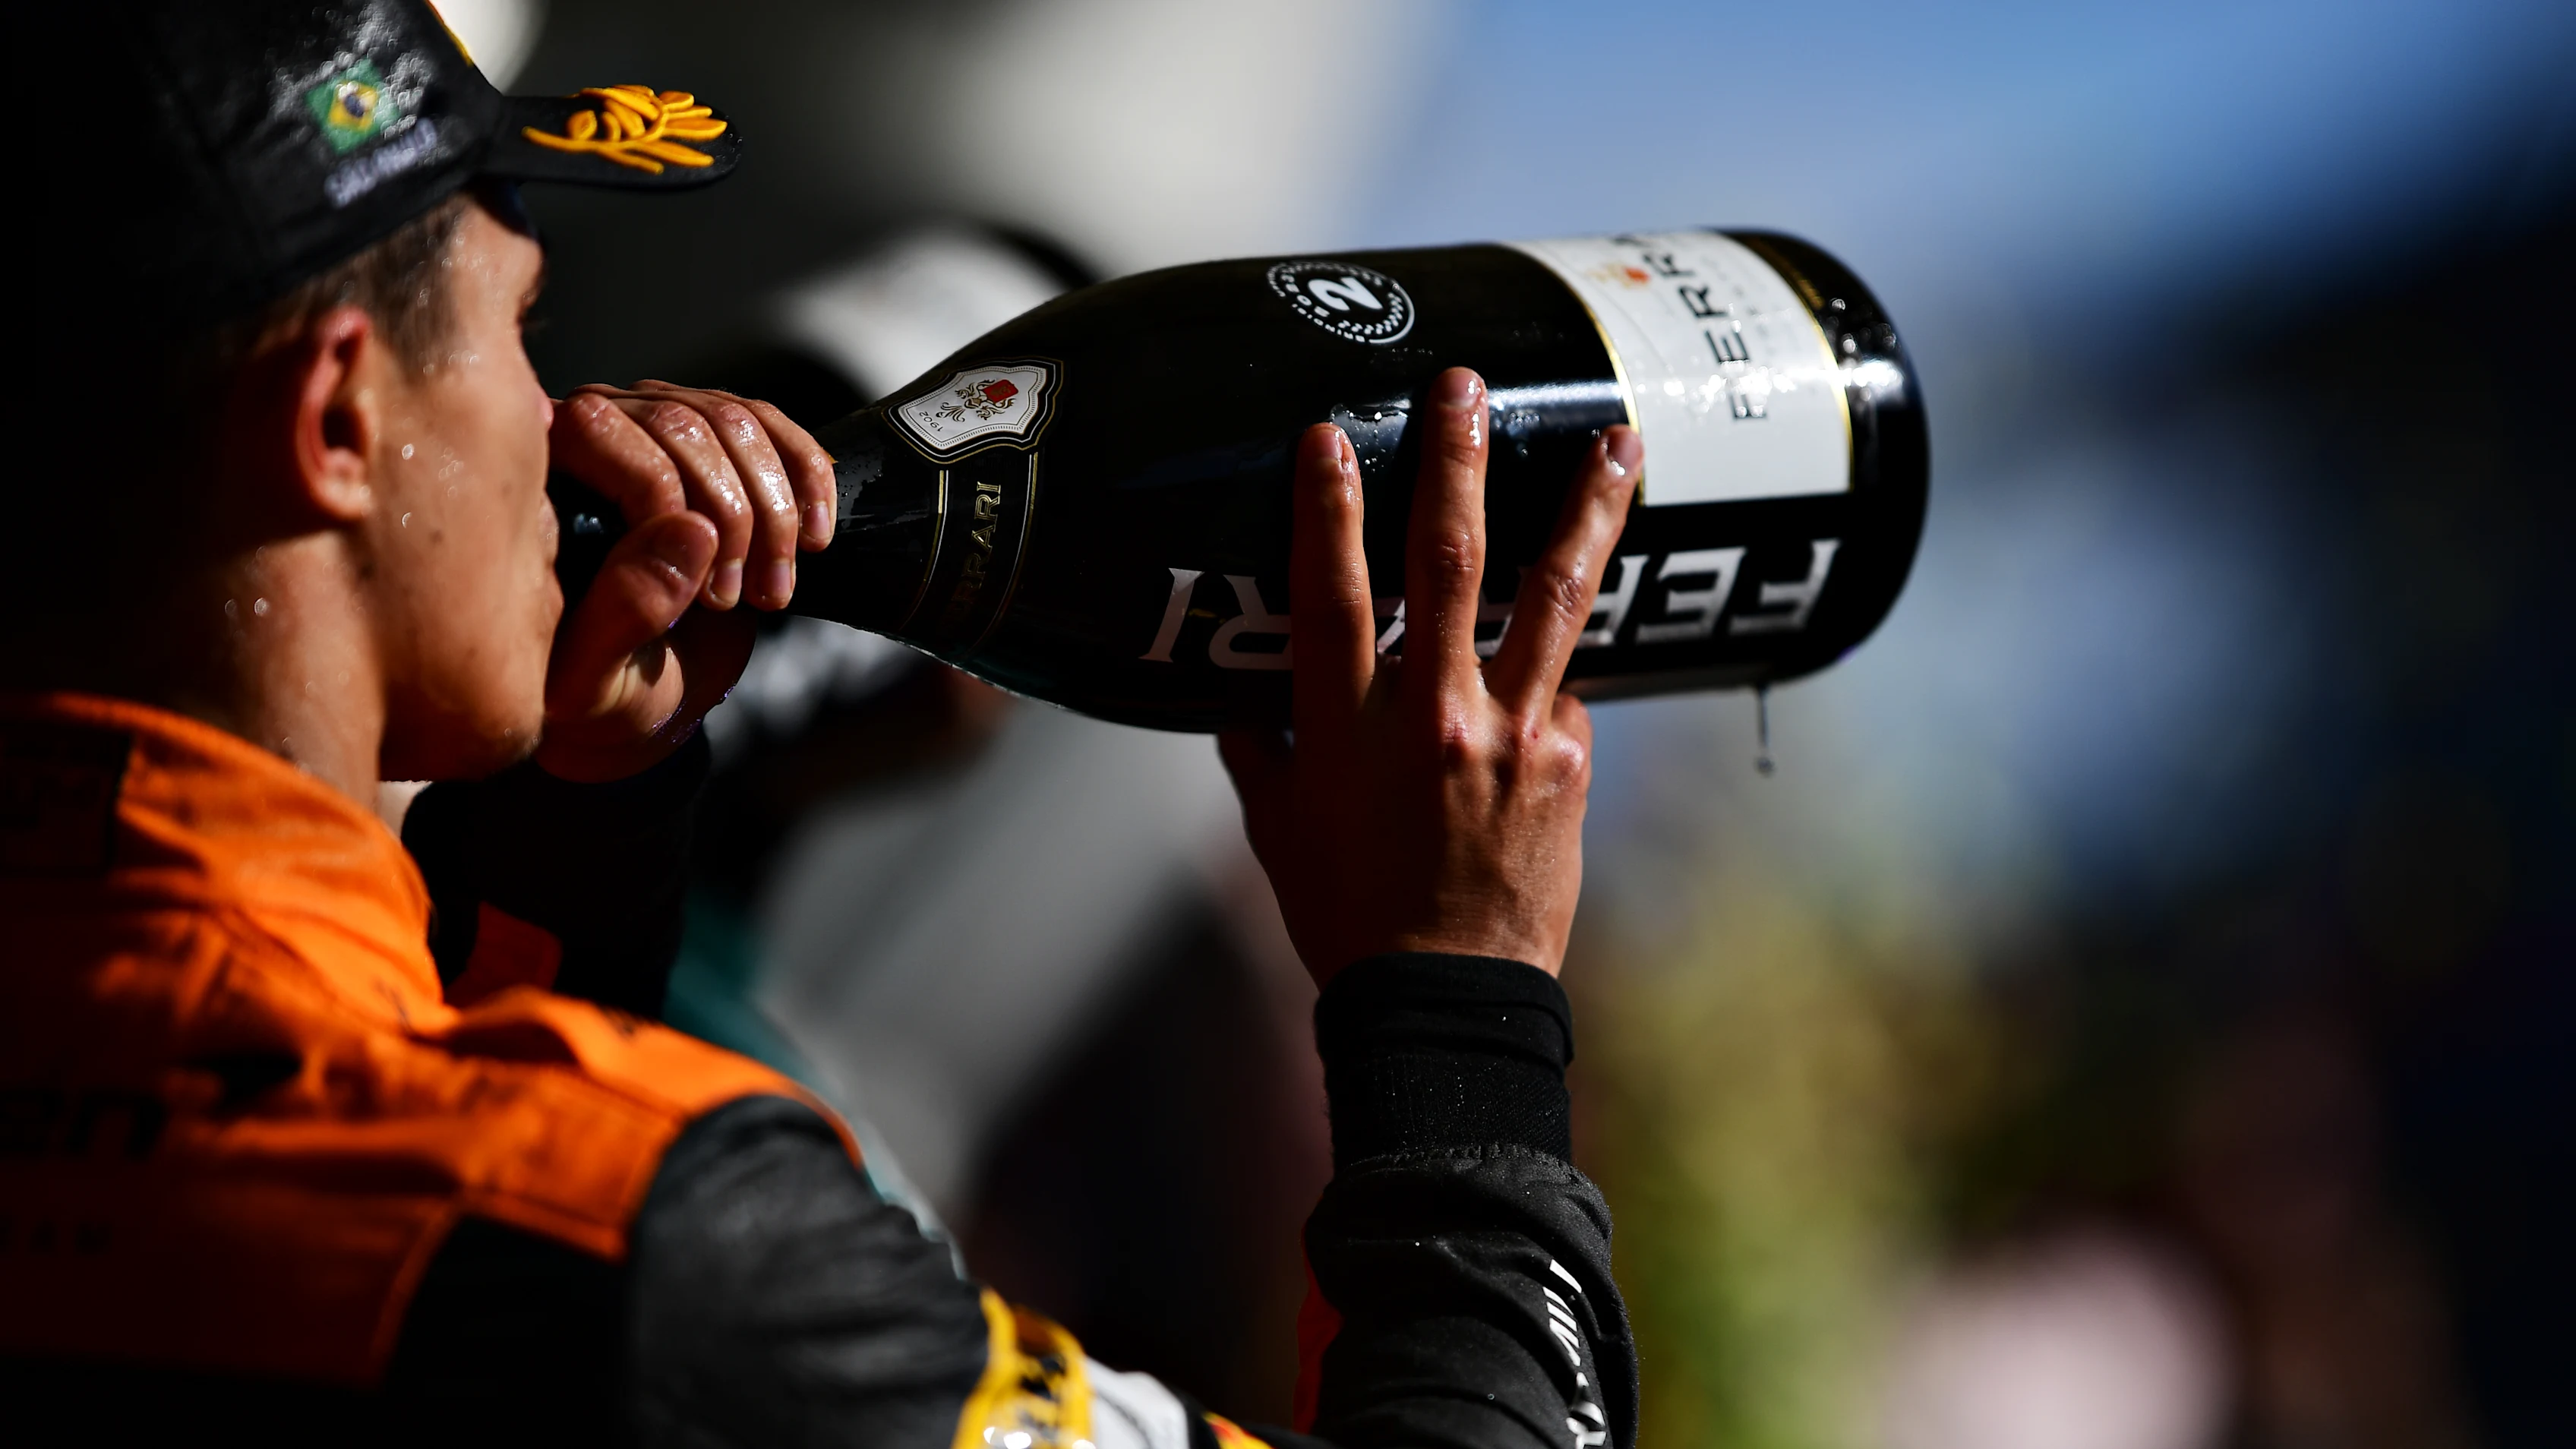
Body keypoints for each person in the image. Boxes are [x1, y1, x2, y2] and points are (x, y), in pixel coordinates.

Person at [1, 4, 1646, 1446]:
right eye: (520, 332)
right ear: (342, 424)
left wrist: (598, 817)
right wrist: (1456, 1001)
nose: (569, 415)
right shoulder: (653, 1241)